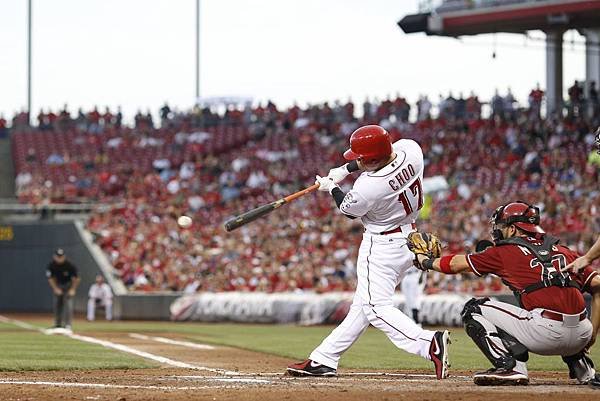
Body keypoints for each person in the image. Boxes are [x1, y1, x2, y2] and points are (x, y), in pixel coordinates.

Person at [286, 125, 450, 379]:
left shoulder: (368, 186)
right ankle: (324, 359)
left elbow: (348, 210)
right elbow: (377, 160)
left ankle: (428, 344)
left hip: (382, 245)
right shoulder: (411, 150)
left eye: (360, 158)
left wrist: (331, 186)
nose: (358, 161)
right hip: (409, 236)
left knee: (375, 306)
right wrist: (344, 170)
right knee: (362, 305)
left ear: (371, 159)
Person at [409, 201, 600, 387]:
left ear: (514, 229)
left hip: (545, 334)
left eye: (501, 226)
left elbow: (455, 264)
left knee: (473, 309)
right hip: (582, 334)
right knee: (557, 308)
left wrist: (426, 262)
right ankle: (584, 370)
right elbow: (598, 285)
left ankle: (511, 368)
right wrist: (592, 333)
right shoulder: (564, 250)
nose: (498, 230)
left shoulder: (505, 251)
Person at [46, 248, 80, 329]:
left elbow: (76, 278)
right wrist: (55, 288)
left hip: (68, 285)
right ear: (54, 256)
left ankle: (68, 325)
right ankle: (58, 324)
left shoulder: (69, 265)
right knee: (57, 305)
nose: (59, 258)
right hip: (58, 285)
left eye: (61, 256)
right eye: (58, 256)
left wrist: (72, 289)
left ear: (64, 256)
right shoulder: (52, 265)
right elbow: (50, 278)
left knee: (68, 305)